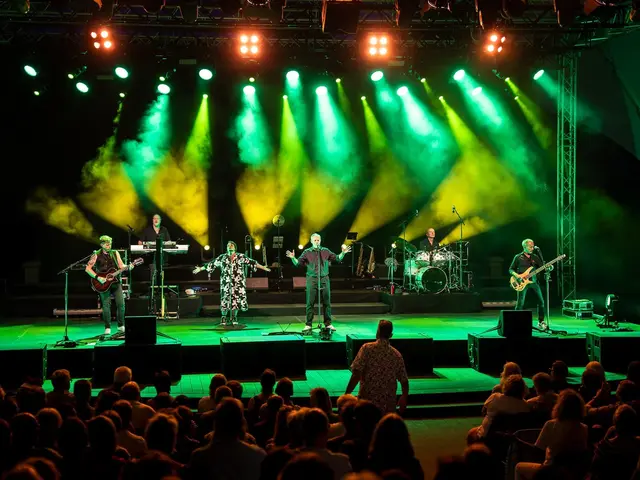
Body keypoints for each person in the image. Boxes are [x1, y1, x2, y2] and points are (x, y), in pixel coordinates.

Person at [285, 233, 351, 333]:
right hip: (312, 279)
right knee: (310, 302)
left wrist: (343, 253)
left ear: (320, 241)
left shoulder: (325, 251)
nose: (317, 242)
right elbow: (298, 263)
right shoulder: (307, 252)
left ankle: (328, 324)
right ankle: (308, 324)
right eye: (315, 240)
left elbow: (337, 258)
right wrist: (292, 258)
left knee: (327, 302)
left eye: (318, 240)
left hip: (324, 278)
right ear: (311, 241)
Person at [193, 241, 270, 325]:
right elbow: (211, 264)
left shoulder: (240, 256)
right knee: (225, 299)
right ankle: (223, 317)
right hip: (226, 283)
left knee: (236, 300)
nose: (230, 247)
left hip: (238, 283)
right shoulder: (222, 257)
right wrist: (200, 269)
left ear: (235, 247)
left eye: (232, 245)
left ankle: (234, 317)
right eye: (228, 245)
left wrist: (263, 267)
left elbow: (252, 262)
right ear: (226, 248)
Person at [345, 320, 409, 414]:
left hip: (367, 405)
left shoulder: (366, 349)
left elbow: (356, 374)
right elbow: (404, 380)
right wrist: (404, 397)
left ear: (377, 333)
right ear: (391, 335)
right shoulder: (396, 355)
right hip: (387, 407)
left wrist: (346, 394)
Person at [86, 235, 135, 335]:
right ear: (102, 244)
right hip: (102, 283)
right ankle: (107, 327)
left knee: (121, 304)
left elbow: (121, 266)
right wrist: (98, 277)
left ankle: (121, 326)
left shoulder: (115, 253)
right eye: (107, 244)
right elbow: (88, 269)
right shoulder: (96, 254)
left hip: (115, 282)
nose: (109, 246)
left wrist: (128, 266)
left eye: (110, 244)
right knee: (106, 305)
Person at [509, 238, 552, 331]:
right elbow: (511, 269)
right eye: (530, 246)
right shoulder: (518, 257)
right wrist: (517, 275)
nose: (532, 248)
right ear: (524, 247)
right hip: (521, 282)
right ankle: (516, 322)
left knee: (541, 302)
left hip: (534, 282)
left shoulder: (535, 257)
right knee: (520, 303)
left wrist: (548, 268)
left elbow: (543, 267)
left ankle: (541, 321)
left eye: (533, 246)